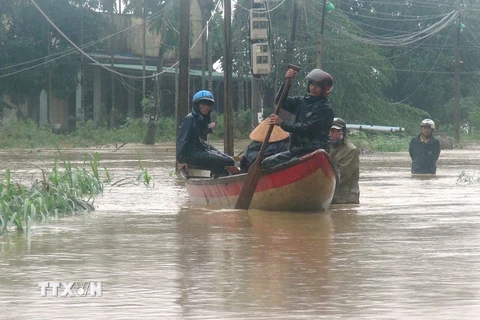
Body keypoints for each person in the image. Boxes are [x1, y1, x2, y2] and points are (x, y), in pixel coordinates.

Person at [262, 68, 334, 169]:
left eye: (317, 86)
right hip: (296, 151)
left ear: (324, 89)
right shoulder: (302, 101)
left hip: (312, 151)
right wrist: (288, 82)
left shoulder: (325, 108)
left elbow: (306, 128)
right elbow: (280, 101)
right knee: (267, 163)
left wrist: (282, 124)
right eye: (312, 84)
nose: (313, 88)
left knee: (293, 164)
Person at [176, 90, 234, 176]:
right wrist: (181, 160)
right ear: (197, 105)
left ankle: (223, 176)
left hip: (201, 149)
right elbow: (182, 141)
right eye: (203, 104)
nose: (206, 107)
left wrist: (209, 129)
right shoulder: (189, 119)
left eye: (208, 105)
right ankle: (216, 179)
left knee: (229, 160)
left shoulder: (203, 119)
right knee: (220, 160)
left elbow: (201, 136)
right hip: (191, 153)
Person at [328, 118, 360, 204]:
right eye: (332, 131)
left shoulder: (350, 150)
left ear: (343, 132)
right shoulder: (325, 147)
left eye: (338, 131)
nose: (335, 134)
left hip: (346, 199)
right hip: (330, 197)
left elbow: (342, 175)